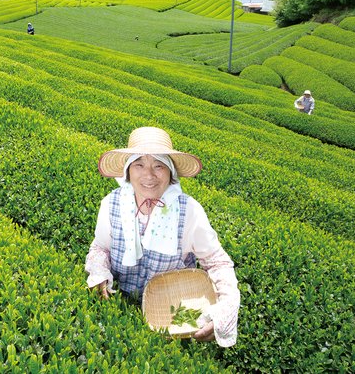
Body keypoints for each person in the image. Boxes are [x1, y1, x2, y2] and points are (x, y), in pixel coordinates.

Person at [85, 127, 240, 346]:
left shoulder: (189, 211)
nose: (149, 175)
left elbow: (218, 263)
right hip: (122, 307)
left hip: (172, 319)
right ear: (128, 171)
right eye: (139, 164)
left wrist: (224, 311)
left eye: (159, 165)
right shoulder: (112, 204)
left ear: (171, 173)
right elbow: (101, 248)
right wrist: (99, 273)